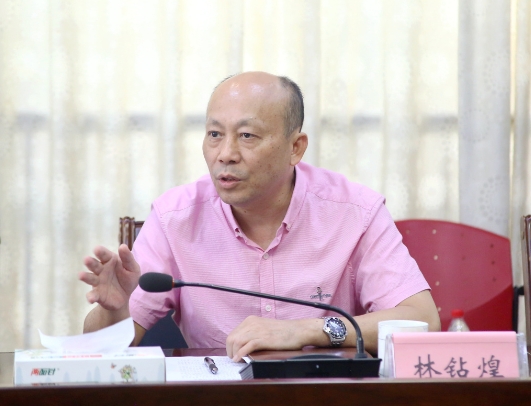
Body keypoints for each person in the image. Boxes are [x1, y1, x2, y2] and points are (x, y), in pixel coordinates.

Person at [79, 71, 440, 361]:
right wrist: (114, 312)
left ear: (295, 147)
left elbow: (421, 319)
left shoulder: (354, 212)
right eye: (215, 134)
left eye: (247, 135)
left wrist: (306, 330)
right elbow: (105, 350)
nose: (226, 154)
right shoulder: (175, 218)